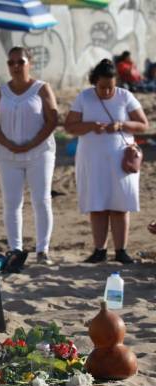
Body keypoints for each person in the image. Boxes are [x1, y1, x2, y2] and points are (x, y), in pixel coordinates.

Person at [64, 59, 148, 264]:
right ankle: (99, 250)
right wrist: (91, 125)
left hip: (121, 160)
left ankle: (121, 250)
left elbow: (143, 125)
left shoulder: (125, 96)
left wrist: (121, 124)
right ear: (94, 82)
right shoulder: (84, 97)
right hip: (92, 159)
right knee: (98, 204)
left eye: (110, 87)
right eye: (102, 87)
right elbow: (70, 126)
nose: (107, 92)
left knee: (120, 204)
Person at [0, 47, 58, 265]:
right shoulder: (0, 92)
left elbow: (52, 119)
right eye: (12, 63)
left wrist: (32, 143)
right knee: (12, 202)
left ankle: (42, 249)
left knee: (41, 199)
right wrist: (9, 144)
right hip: (9, 155)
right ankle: (15, 248)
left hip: (39, 153)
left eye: (21, 62)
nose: (16, 67)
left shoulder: (41, 89)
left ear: (30, 63)